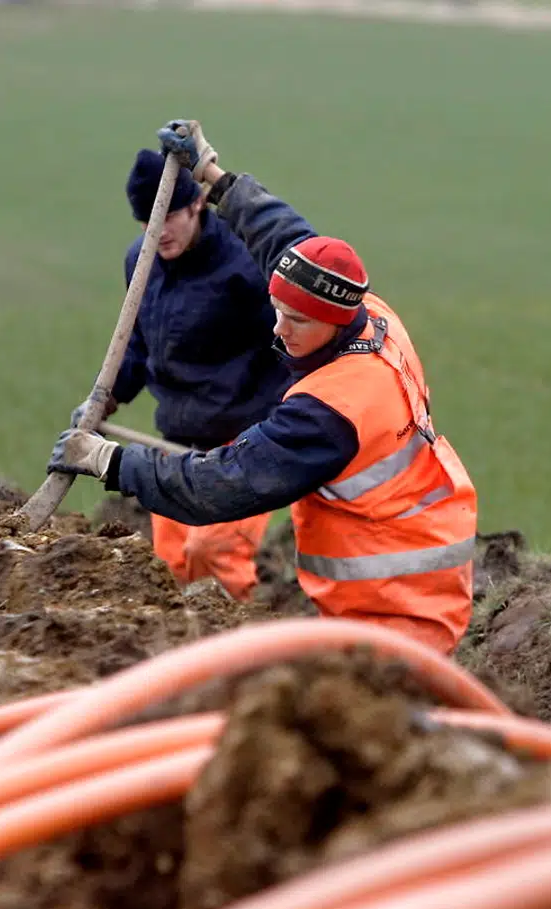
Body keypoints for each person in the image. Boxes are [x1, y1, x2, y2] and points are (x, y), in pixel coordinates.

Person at [49, 120, 479, 654]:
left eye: (296, 321)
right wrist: (216, 174)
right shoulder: (366, 312)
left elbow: (224, 484)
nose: (278, 329)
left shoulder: (327, 410)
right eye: (277, 311)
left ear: (330, 320)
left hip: (395, 606)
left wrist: (109, 462)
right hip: (398, 568)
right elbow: (289, 240)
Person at [76, 148, 289, 602]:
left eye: (170, 216)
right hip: (176, 442)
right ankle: (183, 663)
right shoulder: (141, 261)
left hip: (245, 445)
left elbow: (291, 341)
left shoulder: (243, 264)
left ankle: (237, 661)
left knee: (214, 557)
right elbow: (135, 344)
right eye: (148, 222)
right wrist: (107, 398)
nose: (160, 232)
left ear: (196, 204)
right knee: (171, 572)